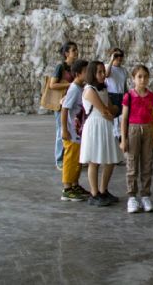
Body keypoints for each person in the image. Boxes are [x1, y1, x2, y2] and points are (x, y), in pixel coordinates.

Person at [79, 61, 122, 207]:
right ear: (92, 73)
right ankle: (94, 192)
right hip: (95, 126)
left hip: (105, 126)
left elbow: (112, 109)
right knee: (95, 161)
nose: (103, 74)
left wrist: (112, 111)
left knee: (110, 160)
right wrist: (112, 111)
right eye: (100, 72)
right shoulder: (90, 90)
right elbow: (105, 110)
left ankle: (103, 190)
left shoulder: (102, 89)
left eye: (104, 71)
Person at [120, 65, 153, 214]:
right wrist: (123, 139)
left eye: (145, 76)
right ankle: (132, 196)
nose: (143, 80)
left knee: (147, 163)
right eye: (139, 77)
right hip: (133, 130)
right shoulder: (128, 96)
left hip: (148, 130)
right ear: (133, 79)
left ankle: (145, 195)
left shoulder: (151, 96)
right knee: (132, 163)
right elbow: (124, 118)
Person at [60, 59, 90, 202]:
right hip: (72, 132)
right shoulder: (73, 89)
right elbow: (64, 110)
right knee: (70, 160)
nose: (88, 74)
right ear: (78, 74)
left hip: (79, 132)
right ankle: (67, 188)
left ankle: (75, 184)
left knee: (78, 160)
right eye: (86, 72)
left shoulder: (81, 88)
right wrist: (64, 130)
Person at [50, 41, 78, 169]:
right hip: (62, 103)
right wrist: (70, 85)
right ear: (66, 53)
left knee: (73, 129)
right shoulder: (60, 67)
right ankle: (59, 159)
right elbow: (52, 84)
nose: (76, 52)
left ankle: (71, 157)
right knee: (61, 130)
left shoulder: (76, 67)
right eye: (73, 50)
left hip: (73, 102)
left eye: (76, 50)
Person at [105, 48, 128, 140]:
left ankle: (118, 135)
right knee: (111, 115)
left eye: (120, 56)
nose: (119, 58)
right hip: (111, 95)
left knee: (120, 117)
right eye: (116, 55)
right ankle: (109, 135)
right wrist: (111, 60)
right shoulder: (107, 66)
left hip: (121, 95)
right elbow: (106, 75)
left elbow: (124, 84)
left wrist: (127, 95)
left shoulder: (123, 70)